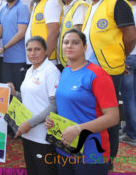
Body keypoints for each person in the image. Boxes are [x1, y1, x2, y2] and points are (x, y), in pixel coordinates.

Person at [80, 0, 136, 163]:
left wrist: (120, 59)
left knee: (110, 116)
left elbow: (130, 36)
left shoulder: (116, 2)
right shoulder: (91, 7)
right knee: (94, 113)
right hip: (92, 70)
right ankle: (94, 150)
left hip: (109, 70)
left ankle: (109, 158)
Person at [46, 29, 119, 175]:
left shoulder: (97, 75)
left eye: (75, 43)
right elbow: (67, 105)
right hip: (65, 148)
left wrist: (78, 129)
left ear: (84, 47)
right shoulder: (65, 71)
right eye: (66, 42)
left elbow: (113, 117)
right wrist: (52, 120)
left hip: (91, 152)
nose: (69, 46)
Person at [9, 36, 60, 175]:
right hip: (28, 134)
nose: (33, 53)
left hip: (43, 137)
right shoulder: (30, 70)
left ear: (45, 51)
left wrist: (29, 124)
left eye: (37, 49)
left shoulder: (51, 71)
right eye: (29, 50)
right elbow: (29, 98)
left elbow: (54, 106)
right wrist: (15, 93)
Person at [0, 0, 29, 91]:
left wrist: (4, 48)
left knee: (19, 94)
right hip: (6, 60)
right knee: (8, 93)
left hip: (19, 59)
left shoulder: (22, 7)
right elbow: (0, 33)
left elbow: (21, 33)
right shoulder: (2, 11)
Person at [118, 0, 136, 146]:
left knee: (128, 98)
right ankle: (130, 129)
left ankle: (131, 134)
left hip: (129, 58)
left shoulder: (126, 12)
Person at [26, 0, 62, 66]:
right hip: (38, 60)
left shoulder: (50, 3)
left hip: (47, 61)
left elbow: (53, 32)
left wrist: (45, 58)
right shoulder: (37, 3)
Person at [55, 0, 88, 67]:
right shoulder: (66, 7)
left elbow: (78, 33)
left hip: (72, 62)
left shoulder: (80, 5)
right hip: (64, 62)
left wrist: (73, 59)